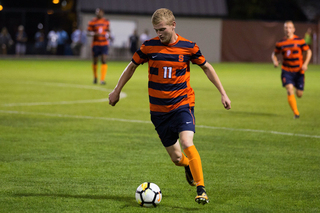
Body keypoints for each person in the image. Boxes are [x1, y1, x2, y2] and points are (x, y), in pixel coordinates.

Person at [109, 8, 231, 205]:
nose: (159, 33)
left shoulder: (188, 47)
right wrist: (116, 90)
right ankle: (188, 165)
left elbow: (207, 67)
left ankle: (201, 189)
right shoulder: (149, 47)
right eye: (156, 30)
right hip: (158, 111)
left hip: (182, 104)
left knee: (186, 142)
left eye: (162, 29)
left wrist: (223, 93)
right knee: (176, 158)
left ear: (173, 25)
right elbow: (131, 66)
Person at [271, 20, 312, 119]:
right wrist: (275, 61)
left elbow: (309, 52)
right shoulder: (280, 43)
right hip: (286, 71)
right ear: (284, 29)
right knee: (289, 89)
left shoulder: (300, 41)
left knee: (299, 94)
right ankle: (296, 113)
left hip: (299, 72)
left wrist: (305, 64)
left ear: (293, 29)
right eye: (286, 28)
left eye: (290, 27)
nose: (288, 30)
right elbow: (274, 54)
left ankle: (299, 90)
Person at [87, 8, 110, 85]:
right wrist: (94, 34)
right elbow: (88, 32)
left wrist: (109, 35)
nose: (98, 14)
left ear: (102, 13)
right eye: (97, 13)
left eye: (99, 12)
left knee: (103, 60)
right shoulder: (92, 21)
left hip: (104, 44)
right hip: (96, 44)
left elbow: (108, 31)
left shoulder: (106, 21)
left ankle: (102, 79)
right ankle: (95, 77)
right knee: (95, 61)